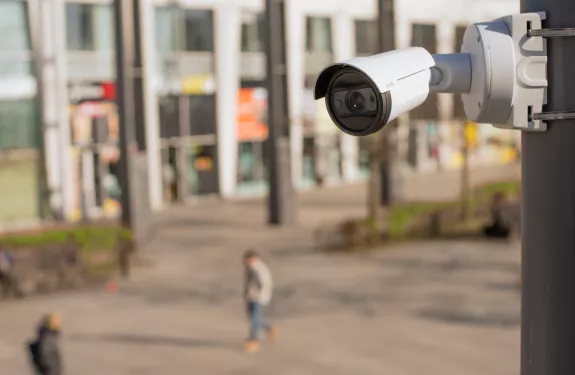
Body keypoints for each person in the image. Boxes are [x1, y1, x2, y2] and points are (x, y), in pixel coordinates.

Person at [243, 249, 276, 353]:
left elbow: (265, 283)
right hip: (251, 296)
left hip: (258, 297)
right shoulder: (250, 268)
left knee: (254, 319)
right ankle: (269, 329)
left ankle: (254, 341)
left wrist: (261, 295)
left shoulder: (259, 269)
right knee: (253, 318)